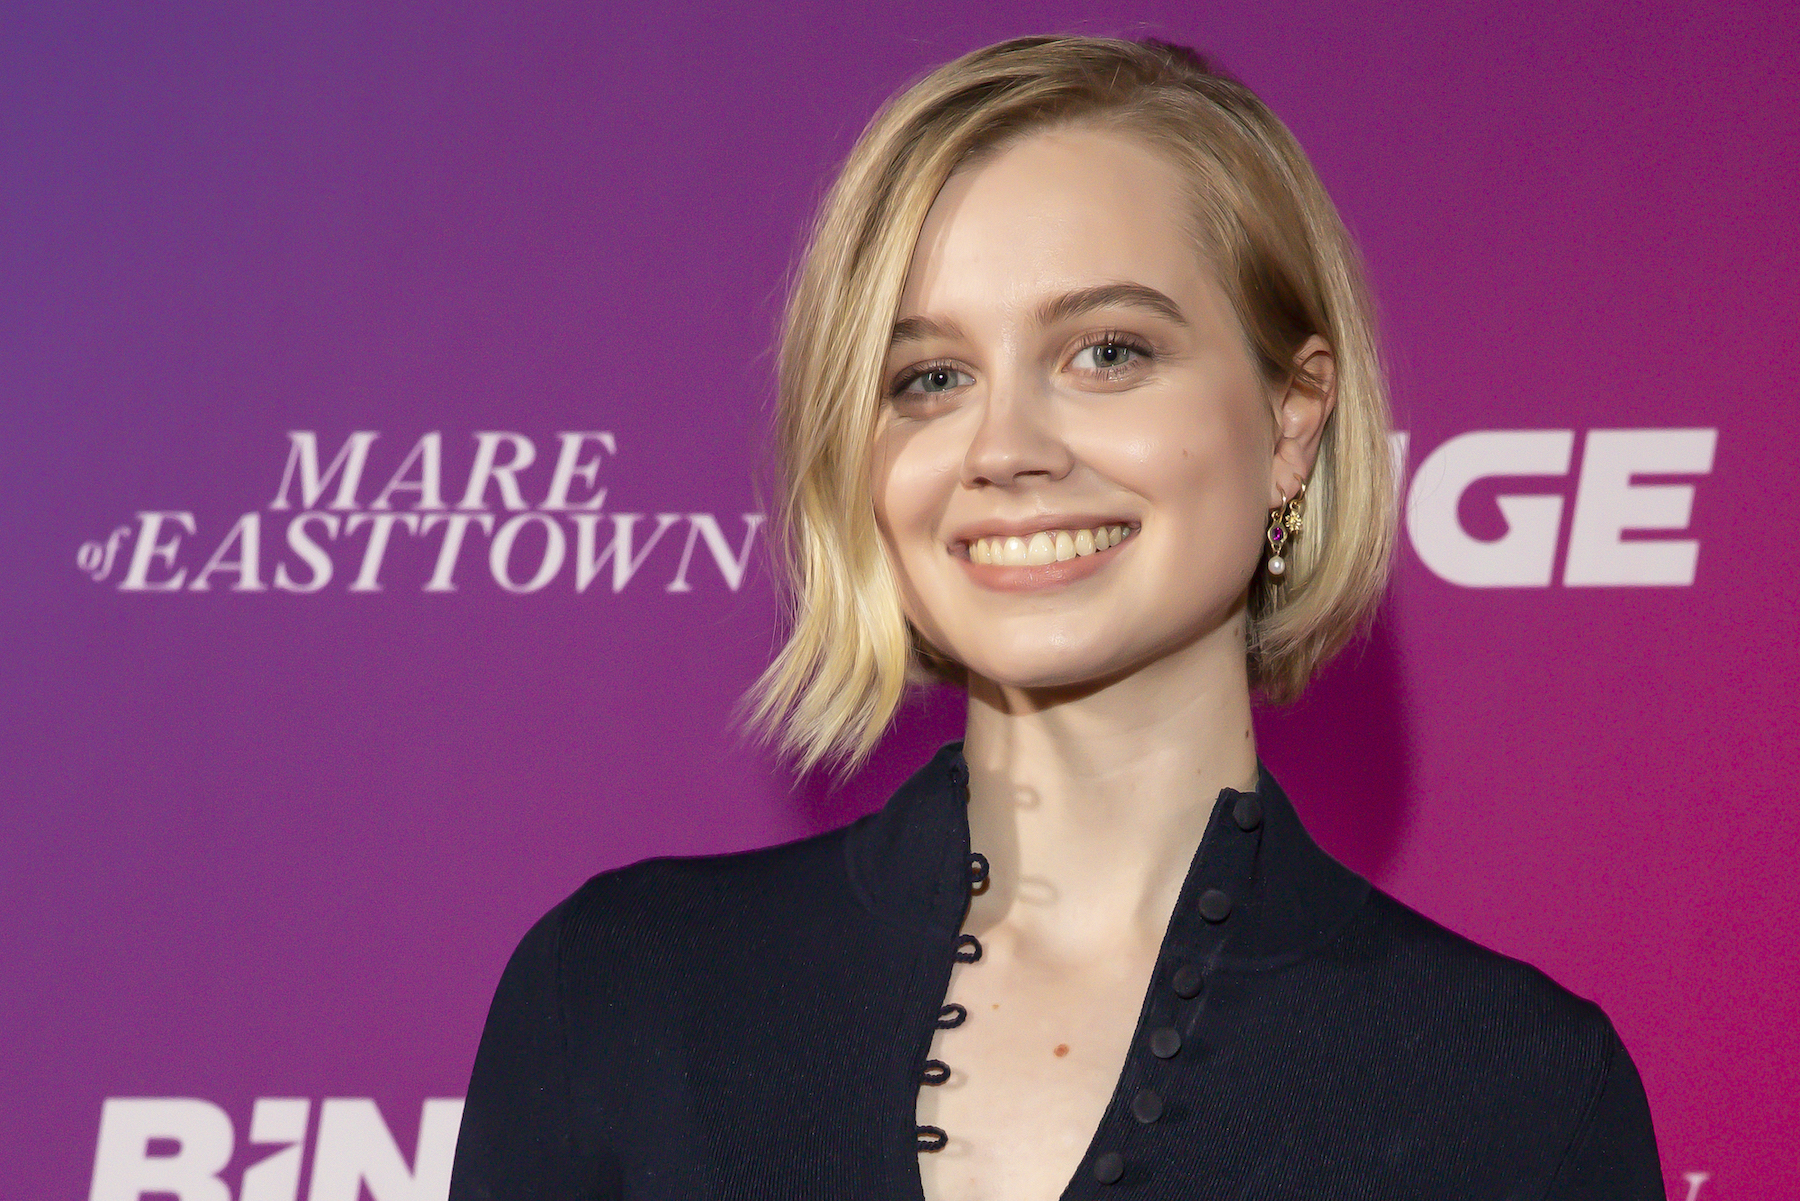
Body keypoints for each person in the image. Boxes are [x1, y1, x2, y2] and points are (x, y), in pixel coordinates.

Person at [448, 35, 1665, 1200]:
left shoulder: (1512, 1089)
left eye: (1108, 352)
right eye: (930, 377)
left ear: (1291, 421)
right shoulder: (623, 992)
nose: (1007, 448)